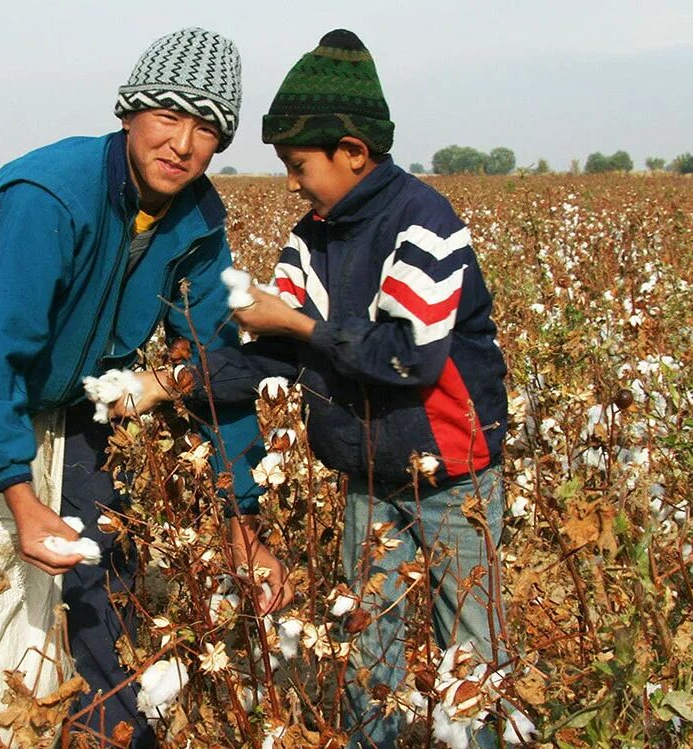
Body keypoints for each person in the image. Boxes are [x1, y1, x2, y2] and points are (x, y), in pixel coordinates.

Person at [0, 27, 292, 747]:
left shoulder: (198, 224)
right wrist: (22, 496)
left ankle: (110, 724)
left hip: (81, 374)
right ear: (129, 113)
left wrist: (240, 524)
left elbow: (211, 366)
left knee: (101, 539)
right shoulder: (52, 197)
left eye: (207, 128)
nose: (182, 144)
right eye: (167, 116)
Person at [131, 29, 509, 748]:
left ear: (354, 154)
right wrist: (175, 380)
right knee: (366, 638)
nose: (293, 182)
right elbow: (271, 355)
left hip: (454, 476)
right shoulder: (312, 238)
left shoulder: (426, 227)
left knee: (470, 652)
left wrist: (302, 324)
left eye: (300, 165)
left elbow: (411, 359)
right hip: (366, 475)